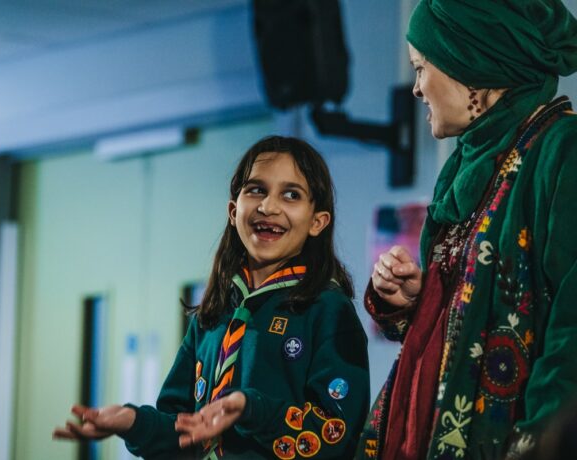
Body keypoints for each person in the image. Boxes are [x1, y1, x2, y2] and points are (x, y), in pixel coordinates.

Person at [53, 135, 370, 459]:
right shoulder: (214, 312)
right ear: (233, 211)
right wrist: (135, 423)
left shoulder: (328, 309)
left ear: (317, 222)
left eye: (291, 195)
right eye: (256, 190)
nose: (268, 207)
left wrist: (251, 409)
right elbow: (184, 432)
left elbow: (336, 434)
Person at [355, 1, 577, 459]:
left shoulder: (561, 150)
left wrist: (538, 445)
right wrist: (416, 300)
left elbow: (571, 326)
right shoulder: (462, 168)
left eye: (421, 67)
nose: (416, 88)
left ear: (469, 67)